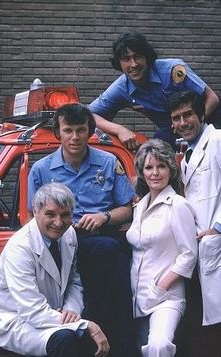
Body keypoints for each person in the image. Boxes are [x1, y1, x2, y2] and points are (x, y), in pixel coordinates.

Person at [27, 103, 138, 357]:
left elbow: (128, 209)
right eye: (68, 130)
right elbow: (33, 220)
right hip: (61, 247)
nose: (74, 137)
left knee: (118, 303)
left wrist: (104, 216)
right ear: (58, 133)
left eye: (80, 130)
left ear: (90, 132)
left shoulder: (109, 162)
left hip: (105, 239)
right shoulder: (41, 170)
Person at [0, 182, 109, 357]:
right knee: (65, 338)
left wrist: (72, 311)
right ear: (35, 211)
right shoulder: (20, 247)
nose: (58, 223)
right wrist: (83, 324)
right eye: (50, 214)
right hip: (16, 320)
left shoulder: (68, 234)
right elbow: (32, 311)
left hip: (51, 314)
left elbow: (73, 280)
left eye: (65, 215)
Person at [89, 31, 221, 151]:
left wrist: (197, 124)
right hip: (174, 130)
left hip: (210, 117)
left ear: (147, 57)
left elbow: (212, 98)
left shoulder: (173, 70)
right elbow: (88, 114)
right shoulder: (120, 87)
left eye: (138, 57)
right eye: (126, 59)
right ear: (119, 63)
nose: (134, 64)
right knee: (157, 148)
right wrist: (119, 130)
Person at [126, 139, 198, 357]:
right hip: (137, 297)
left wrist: (161, 286)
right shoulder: (139, 206)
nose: (155, 173)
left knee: (159, 345)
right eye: (149, 167)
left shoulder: (178, 205)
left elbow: (189, 254)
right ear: (142, 171)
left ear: (170, 170)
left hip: (166, 297)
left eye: (161, 166)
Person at [168, 90, 221, 356]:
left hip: (216, 243)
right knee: (204, 323)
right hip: (200, 248)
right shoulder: (187, 154)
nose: (182, 123)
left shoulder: (219, 140)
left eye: (187, 115)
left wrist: (219, 228)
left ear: (201, 113)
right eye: (176, 118)